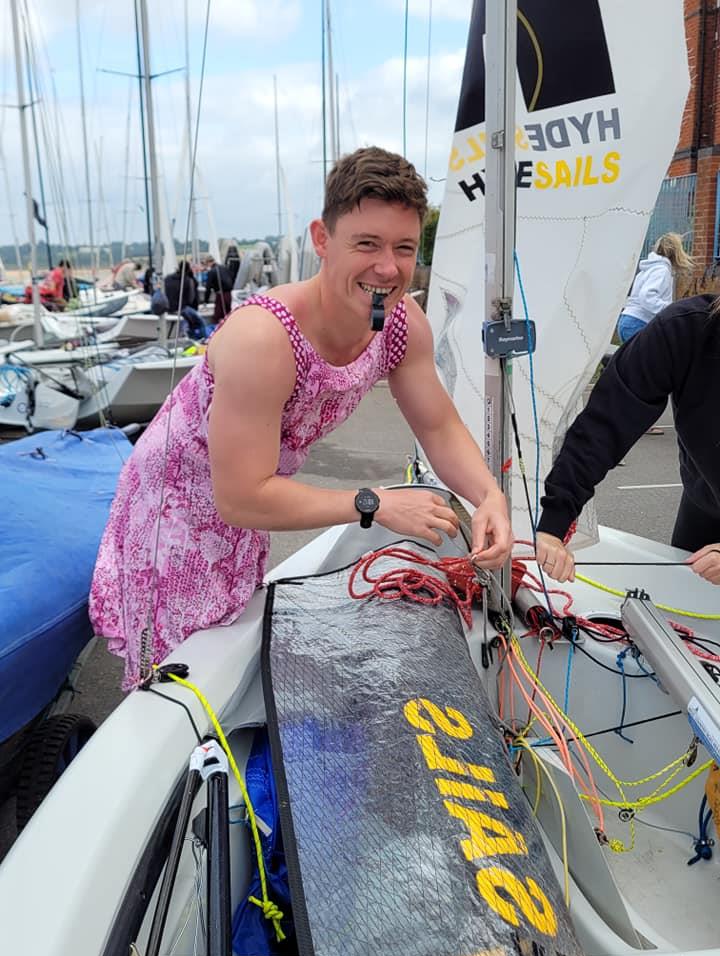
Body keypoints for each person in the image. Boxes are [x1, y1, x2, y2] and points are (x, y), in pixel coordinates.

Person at [89, 146, 513, 690]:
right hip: (177, 512)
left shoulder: (400, 324)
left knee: (232, 652)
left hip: (253, 494)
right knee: (179, 685)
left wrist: (489, 495)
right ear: (322, 239)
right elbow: (240, 498)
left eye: (404, 248)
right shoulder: (263, 338)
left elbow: (438, 426)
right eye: (367, 244)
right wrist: (374, 504)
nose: (388, 267)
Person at [535, 293, 720, 587]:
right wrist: (553, 523)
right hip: (705, 505)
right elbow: (605, 424)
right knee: (681, 613)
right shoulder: (684, 329)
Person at [617, 233, 693, 344]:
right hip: (639, 323)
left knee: (635, 361)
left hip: (627, 321)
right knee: (653, 360)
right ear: (676, 253)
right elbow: (647, 296)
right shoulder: (662, 270)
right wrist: (668, 309)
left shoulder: (647, 268)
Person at [204, 254, 234, 322]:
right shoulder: (224, 267)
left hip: (221, 295)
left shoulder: (211, 272)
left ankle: (215, 330)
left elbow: (208, 287)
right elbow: (232, 276)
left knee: (216, 317)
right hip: (229, 294)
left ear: (208, 263)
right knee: (228, 314)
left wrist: (206, 301)